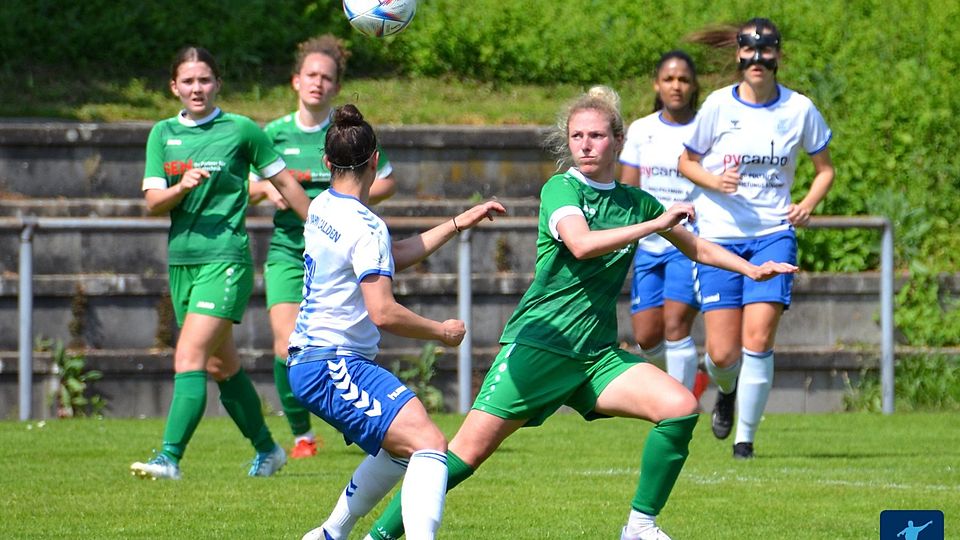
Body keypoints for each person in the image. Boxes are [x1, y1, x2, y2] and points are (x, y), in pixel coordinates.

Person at [363, 86, 798, 540]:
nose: (585, 145)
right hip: (539, 347)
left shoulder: (634, 201)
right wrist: (654, 224)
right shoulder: (562, 188)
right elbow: (581, 244)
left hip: (595, 358)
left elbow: (698, 247)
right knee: (462, 456)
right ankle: (378, 536)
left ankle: (640, 526)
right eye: (576, 136)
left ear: (618, 140)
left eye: (596, 135)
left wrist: (751, 268)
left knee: (680, 407)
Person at [289, 104, 506, 540]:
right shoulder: (365, 227)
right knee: (429, 444)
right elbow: (383, 312)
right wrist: (440, 332)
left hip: (319, 360)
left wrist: (458, 222)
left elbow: (390, 256)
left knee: (407, 448)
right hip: (332, 364)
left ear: (327, 163)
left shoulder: (322, 206)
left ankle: (330, 534)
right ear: (375, 160)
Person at [130, 46, 312, 480]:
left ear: (218, 84)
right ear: (174, 87)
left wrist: (323, 228)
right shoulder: (162, 134)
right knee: (220, 365)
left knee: (189, 355)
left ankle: (169, 458)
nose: (197, 88)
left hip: (226, 260)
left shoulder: (242, 130)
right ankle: (269, 450)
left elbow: (284, 180)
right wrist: (182, 188)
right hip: (182, 263)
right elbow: (154, 201)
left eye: (205, 80)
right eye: (188, 81)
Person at [678, 17, 835, 459]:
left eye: (767, 52)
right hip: (719, 238)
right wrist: (713, 180)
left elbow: (825, 170)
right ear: (739, 56)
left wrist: (807, 203)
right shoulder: (717, 105)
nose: (758, 60)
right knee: (723, 355)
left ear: (778, 56)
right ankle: (725, 392)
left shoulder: (799, 109)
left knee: (760, 339)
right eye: (750, 52)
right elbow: (685, 162)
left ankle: (745, 440)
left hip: (772, 235)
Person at [249, 34, 397, 460]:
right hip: (288, 250)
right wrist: (265, 191)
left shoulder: (345, 135)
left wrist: (347, 203)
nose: (317, 82)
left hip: (339, 251)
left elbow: (385, 177)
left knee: (341, 340)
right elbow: (245, 183)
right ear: (296, 81)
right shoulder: (273, 133)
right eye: (310, 75)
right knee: (285, 344)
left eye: (326, 77)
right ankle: (301, 436)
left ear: (335, 87)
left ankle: (349, 415)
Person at [619, 50, 702, 391]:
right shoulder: (642, 129)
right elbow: (627, 188)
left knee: (675, 324)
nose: (676, 86)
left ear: (694, 85)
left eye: (683, 79)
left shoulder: (705, 129)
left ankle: (679, 412)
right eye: (669, 79)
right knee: (647, 337)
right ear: (657, 84)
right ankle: (682, 384)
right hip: (650, 243)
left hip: (689, 240)